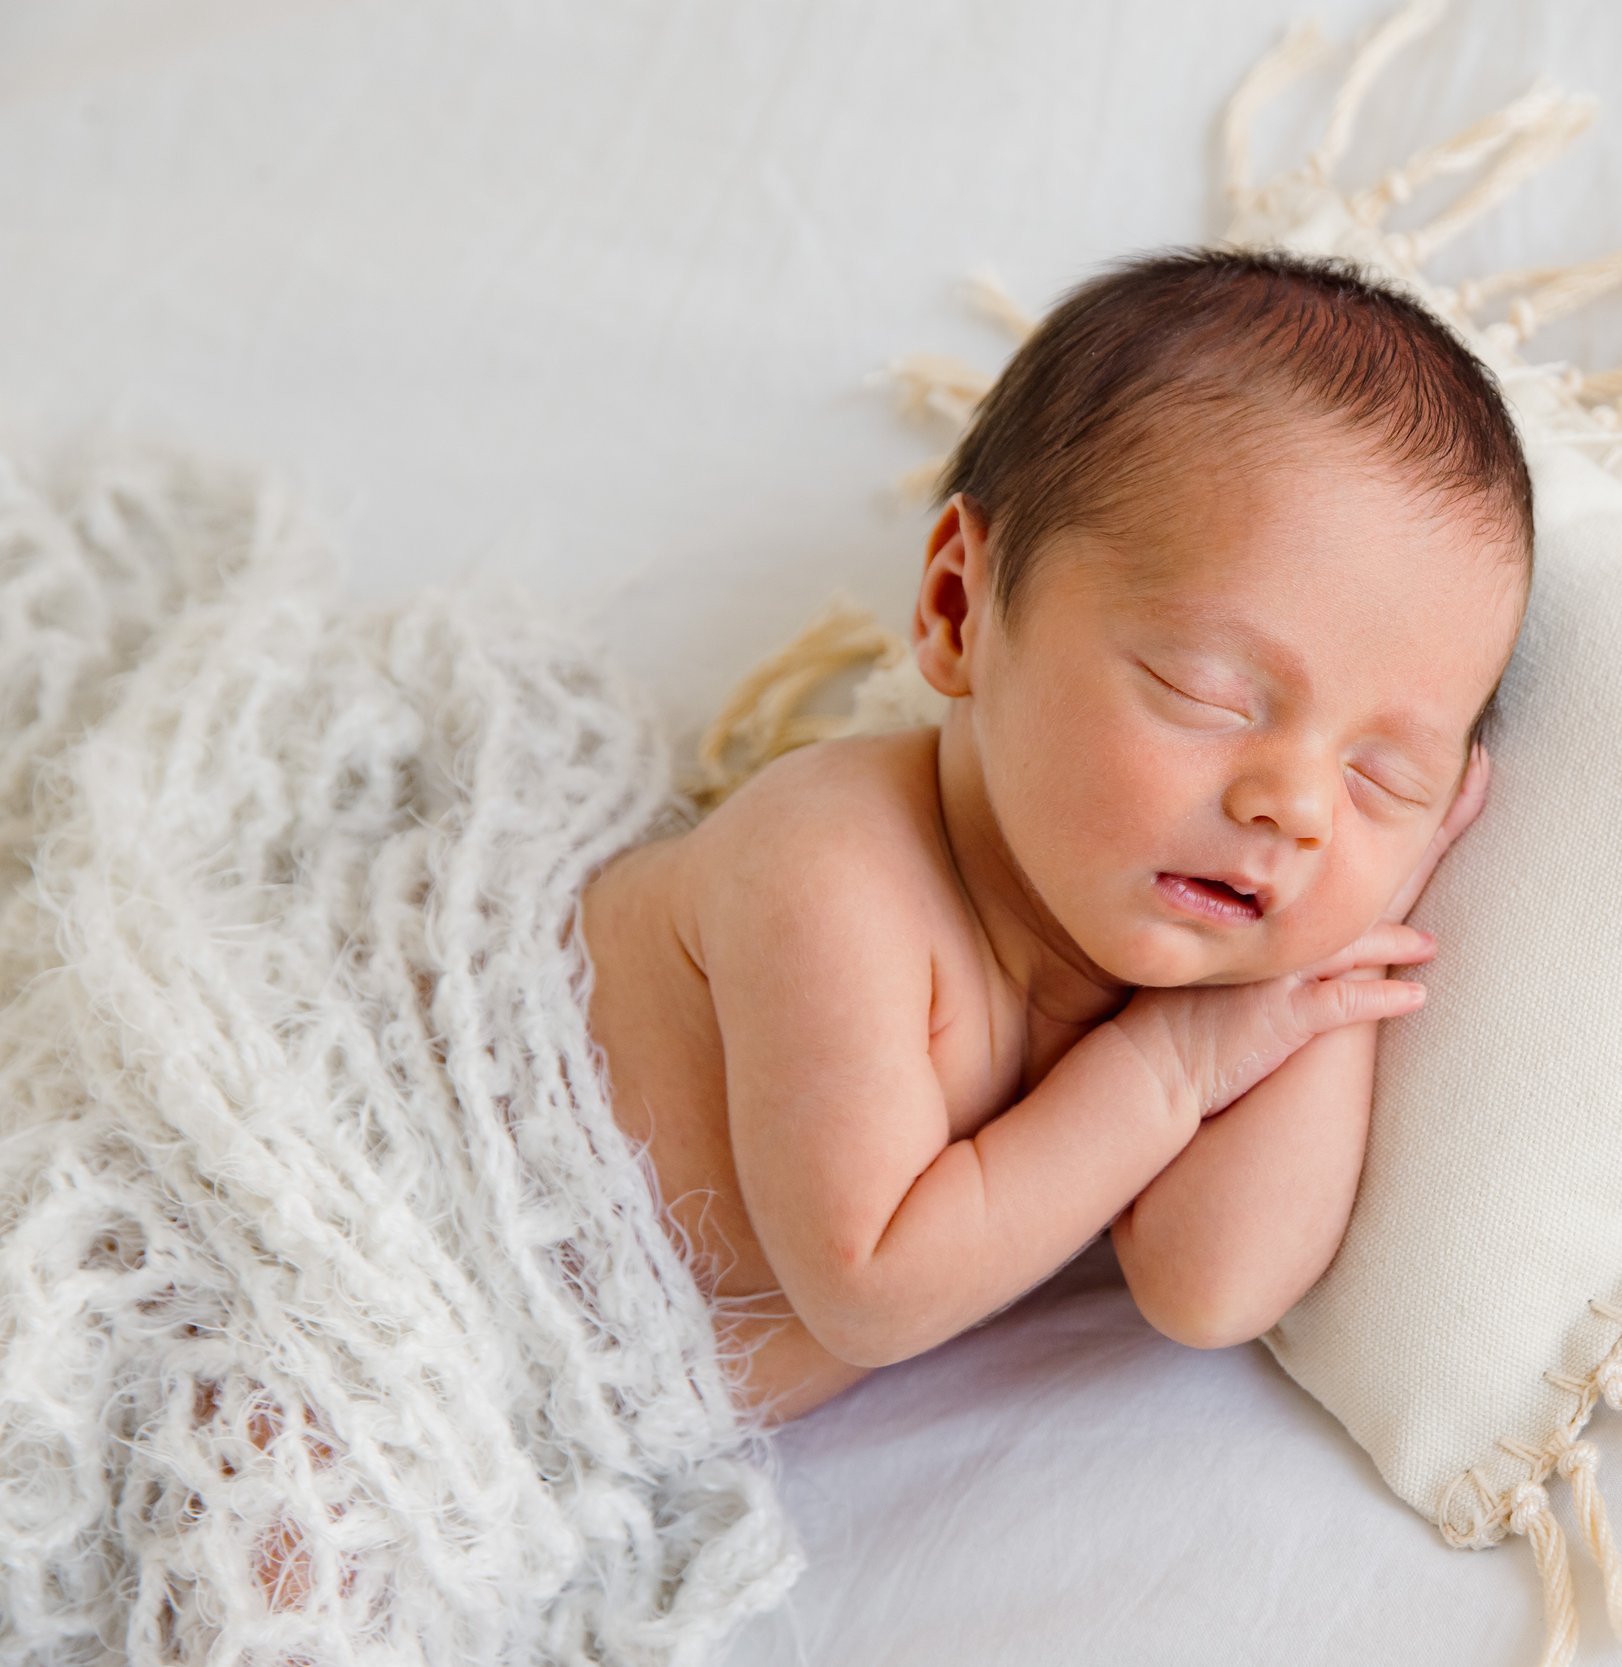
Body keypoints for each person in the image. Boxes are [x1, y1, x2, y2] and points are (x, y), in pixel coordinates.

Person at [577, 245, 1535, 1424]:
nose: (1295, 805)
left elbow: (1211, 1283)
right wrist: (1172, 1070)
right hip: (426, 1196)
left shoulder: (1163, 955)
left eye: (1383, 775)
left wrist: (1340, 956)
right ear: (958, 608)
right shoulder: (831, 866)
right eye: (1207, 691)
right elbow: (870, 1286)